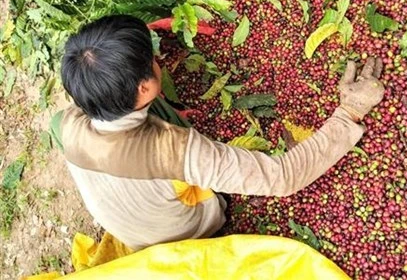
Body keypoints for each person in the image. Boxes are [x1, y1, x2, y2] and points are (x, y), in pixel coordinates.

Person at [53, 15, 385, 251]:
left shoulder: (63, 123)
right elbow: (284, 177)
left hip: (134, 231)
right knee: (209, 192)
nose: (157, 61)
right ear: (143, 87)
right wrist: (351, 111)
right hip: (184, 236)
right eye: (151, 61)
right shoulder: (177, 151)